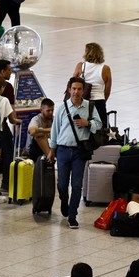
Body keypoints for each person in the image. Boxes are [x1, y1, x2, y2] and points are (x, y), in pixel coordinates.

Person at [50, 76, 105, 227]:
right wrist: (51, 150)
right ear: (69, 90)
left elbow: (99, 125)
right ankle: (64, 201)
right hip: (62, 150)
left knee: (76, 184)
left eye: (79, 89)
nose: (76, 92)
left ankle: (72, 215)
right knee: (61, 184)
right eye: (73, 89)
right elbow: (55, 131)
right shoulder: (62, 108)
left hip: (80, 152)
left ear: (83, 90)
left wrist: (87, 123)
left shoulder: (89, 107)